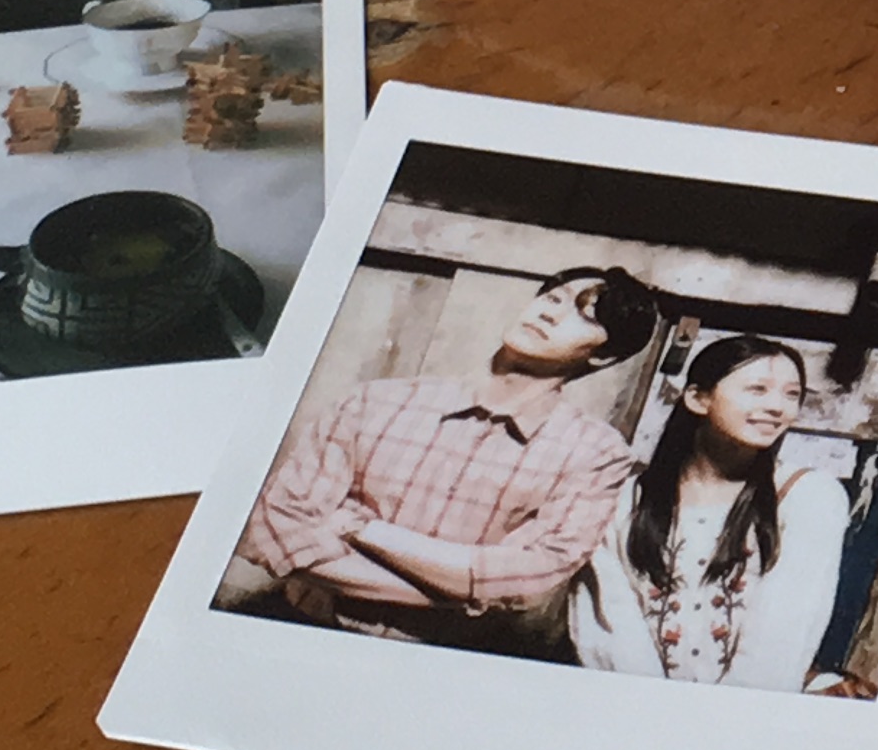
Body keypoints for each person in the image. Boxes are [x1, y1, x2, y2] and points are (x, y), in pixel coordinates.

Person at [235, 266, 659, 652]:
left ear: (603, 355)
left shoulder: (594, 453)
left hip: (440, 662)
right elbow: (276, 526)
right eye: (552, 298)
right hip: (300, 632)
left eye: (584, 315)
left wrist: (357, 525)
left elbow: (528, 578)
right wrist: (459, 592)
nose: (550, 313)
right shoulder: (376, 401)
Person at [570, 333, 850, 687]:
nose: (778, 407)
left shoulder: (808, 495)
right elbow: (609, 621)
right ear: (698, 398)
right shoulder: (622, 500)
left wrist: (724, 713)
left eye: (792, 394)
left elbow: (785, 631)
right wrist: (648, 706)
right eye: (758, 389)